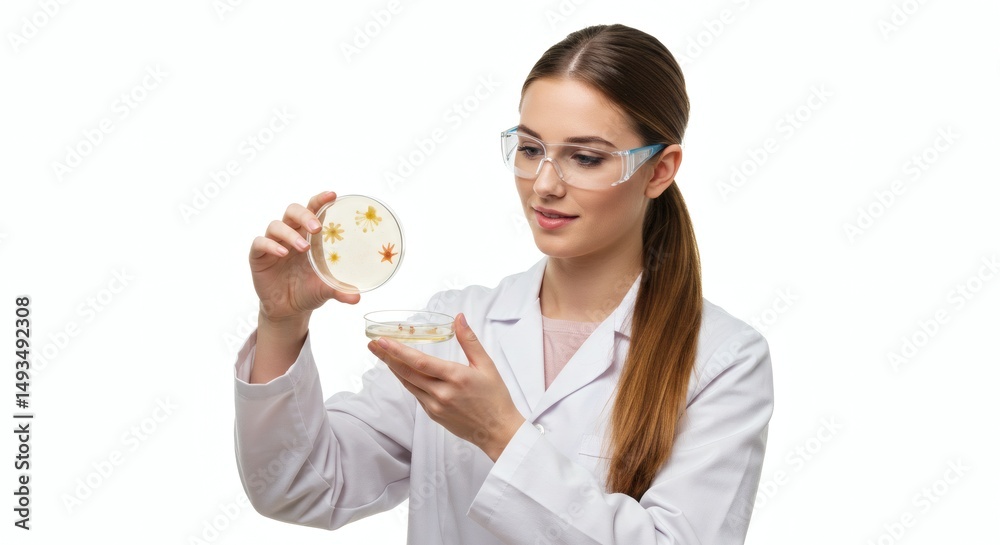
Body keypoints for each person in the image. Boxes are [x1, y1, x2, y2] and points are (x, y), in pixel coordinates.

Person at [233, 23, 774, 544]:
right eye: (531, 149)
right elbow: (299, 487)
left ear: (659, 170)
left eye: (585, 158)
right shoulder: (454, 325)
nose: (544, 185)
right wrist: (282, 320)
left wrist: (499, 432)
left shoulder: (724, 360)